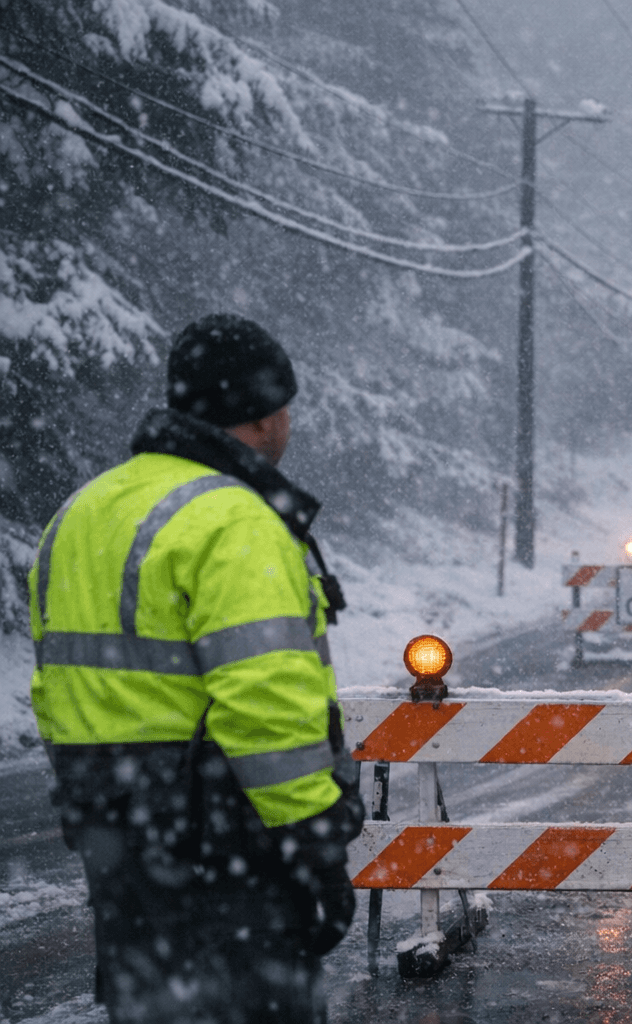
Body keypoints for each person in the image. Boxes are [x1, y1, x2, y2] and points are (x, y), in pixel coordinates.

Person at [28, 314, 364, 1022]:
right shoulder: (233, 521)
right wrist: (313, 842)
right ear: (267, 415)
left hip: (120, 844)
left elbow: (53, 688)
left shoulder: (79, 512)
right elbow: (264, 702)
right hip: (229, 849)